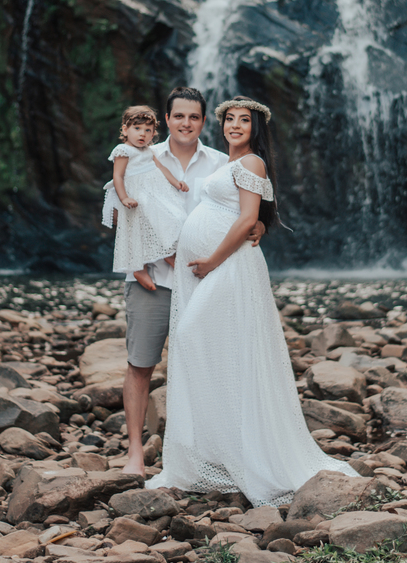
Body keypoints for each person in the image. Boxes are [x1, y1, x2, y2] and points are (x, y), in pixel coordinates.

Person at [147, 96, 359, 505]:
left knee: (195, 338)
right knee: (219, 350)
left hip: (230, 268)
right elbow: (245, 213)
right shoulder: (228, 164)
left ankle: (245, 453)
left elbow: (247, 218)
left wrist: (212, 260)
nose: (235, 125)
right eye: (229, 119)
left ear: (255, 128)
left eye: (243, 120)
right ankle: (220, 449)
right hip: (217, 268)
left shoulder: (252, 162)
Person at [118, 87, 264, 477]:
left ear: (203, 122)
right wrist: (144, 256)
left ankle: (209, 454)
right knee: (141, 364)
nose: (186, 123)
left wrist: (260, 224)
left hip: (207, 282)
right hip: (154, 279)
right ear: (165, 120)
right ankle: (135, 453)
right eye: (179, 116)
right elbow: (119, 208)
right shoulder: (141, 154)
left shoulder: (222, 162)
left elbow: (243, 207)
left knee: (210, 366)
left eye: (194, 117)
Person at [102, 105, 189, 289]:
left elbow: (161, 168)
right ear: (125, 129)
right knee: (138, 229)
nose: (142, 134)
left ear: (153, 134)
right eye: (137, 128)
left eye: (148, 130)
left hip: (155, 193)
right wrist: (124, 198)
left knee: (174, 217)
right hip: (136, 194)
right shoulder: (123, 150)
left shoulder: (149, 151)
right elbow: (118, 176)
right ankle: (139, 268)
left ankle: (169, 252)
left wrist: (176, 183)